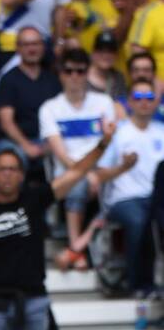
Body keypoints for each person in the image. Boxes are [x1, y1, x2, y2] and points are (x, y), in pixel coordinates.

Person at [0, 132, 121, 330]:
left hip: (33, 301)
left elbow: (76, 173)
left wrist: (103, 144)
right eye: (2, 169)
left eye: (13, 169)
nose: (7, 173)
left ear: (22, 175)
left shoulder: (35, 199)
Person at [39, 48, 116, 268]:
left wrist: (96, 173)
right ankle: (77, 247)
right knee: (78, 183)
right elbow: (60, 153)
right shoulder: (50, 108)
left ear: (87, 73)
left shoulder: (104, 102)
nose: (74, 76)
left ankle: (75, 251)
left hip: (103, 169)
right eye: (69, 70)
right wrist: (87, 173)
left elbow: (110, 145)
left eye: (80, 71)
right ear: (60, 74)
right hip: (70, 172)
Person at [95, 83, 164, 295]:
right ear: (130, 101)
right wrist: (123, 167)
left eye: (149, 96)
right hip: (124, 199)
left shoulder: (162, 131)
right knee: (139, 221)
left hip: (158, 199)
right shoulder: (119, 133)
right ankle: (138, 284)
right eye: (139, 96)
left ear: (155, 101)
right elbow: (99, 174)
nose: (144, 101)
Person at [0, 27, 60, 179]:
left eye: (36, 44)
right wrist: (26, 146)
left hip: (49, 141)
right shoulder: (8, 80)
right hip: (16, 142)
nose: (32, 49)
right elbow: (6, 122)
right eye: (26, 44)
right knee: (10, 163)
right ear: (17, 48)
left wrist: (51, 144)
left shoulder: (53, 80)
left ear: (43, 47)